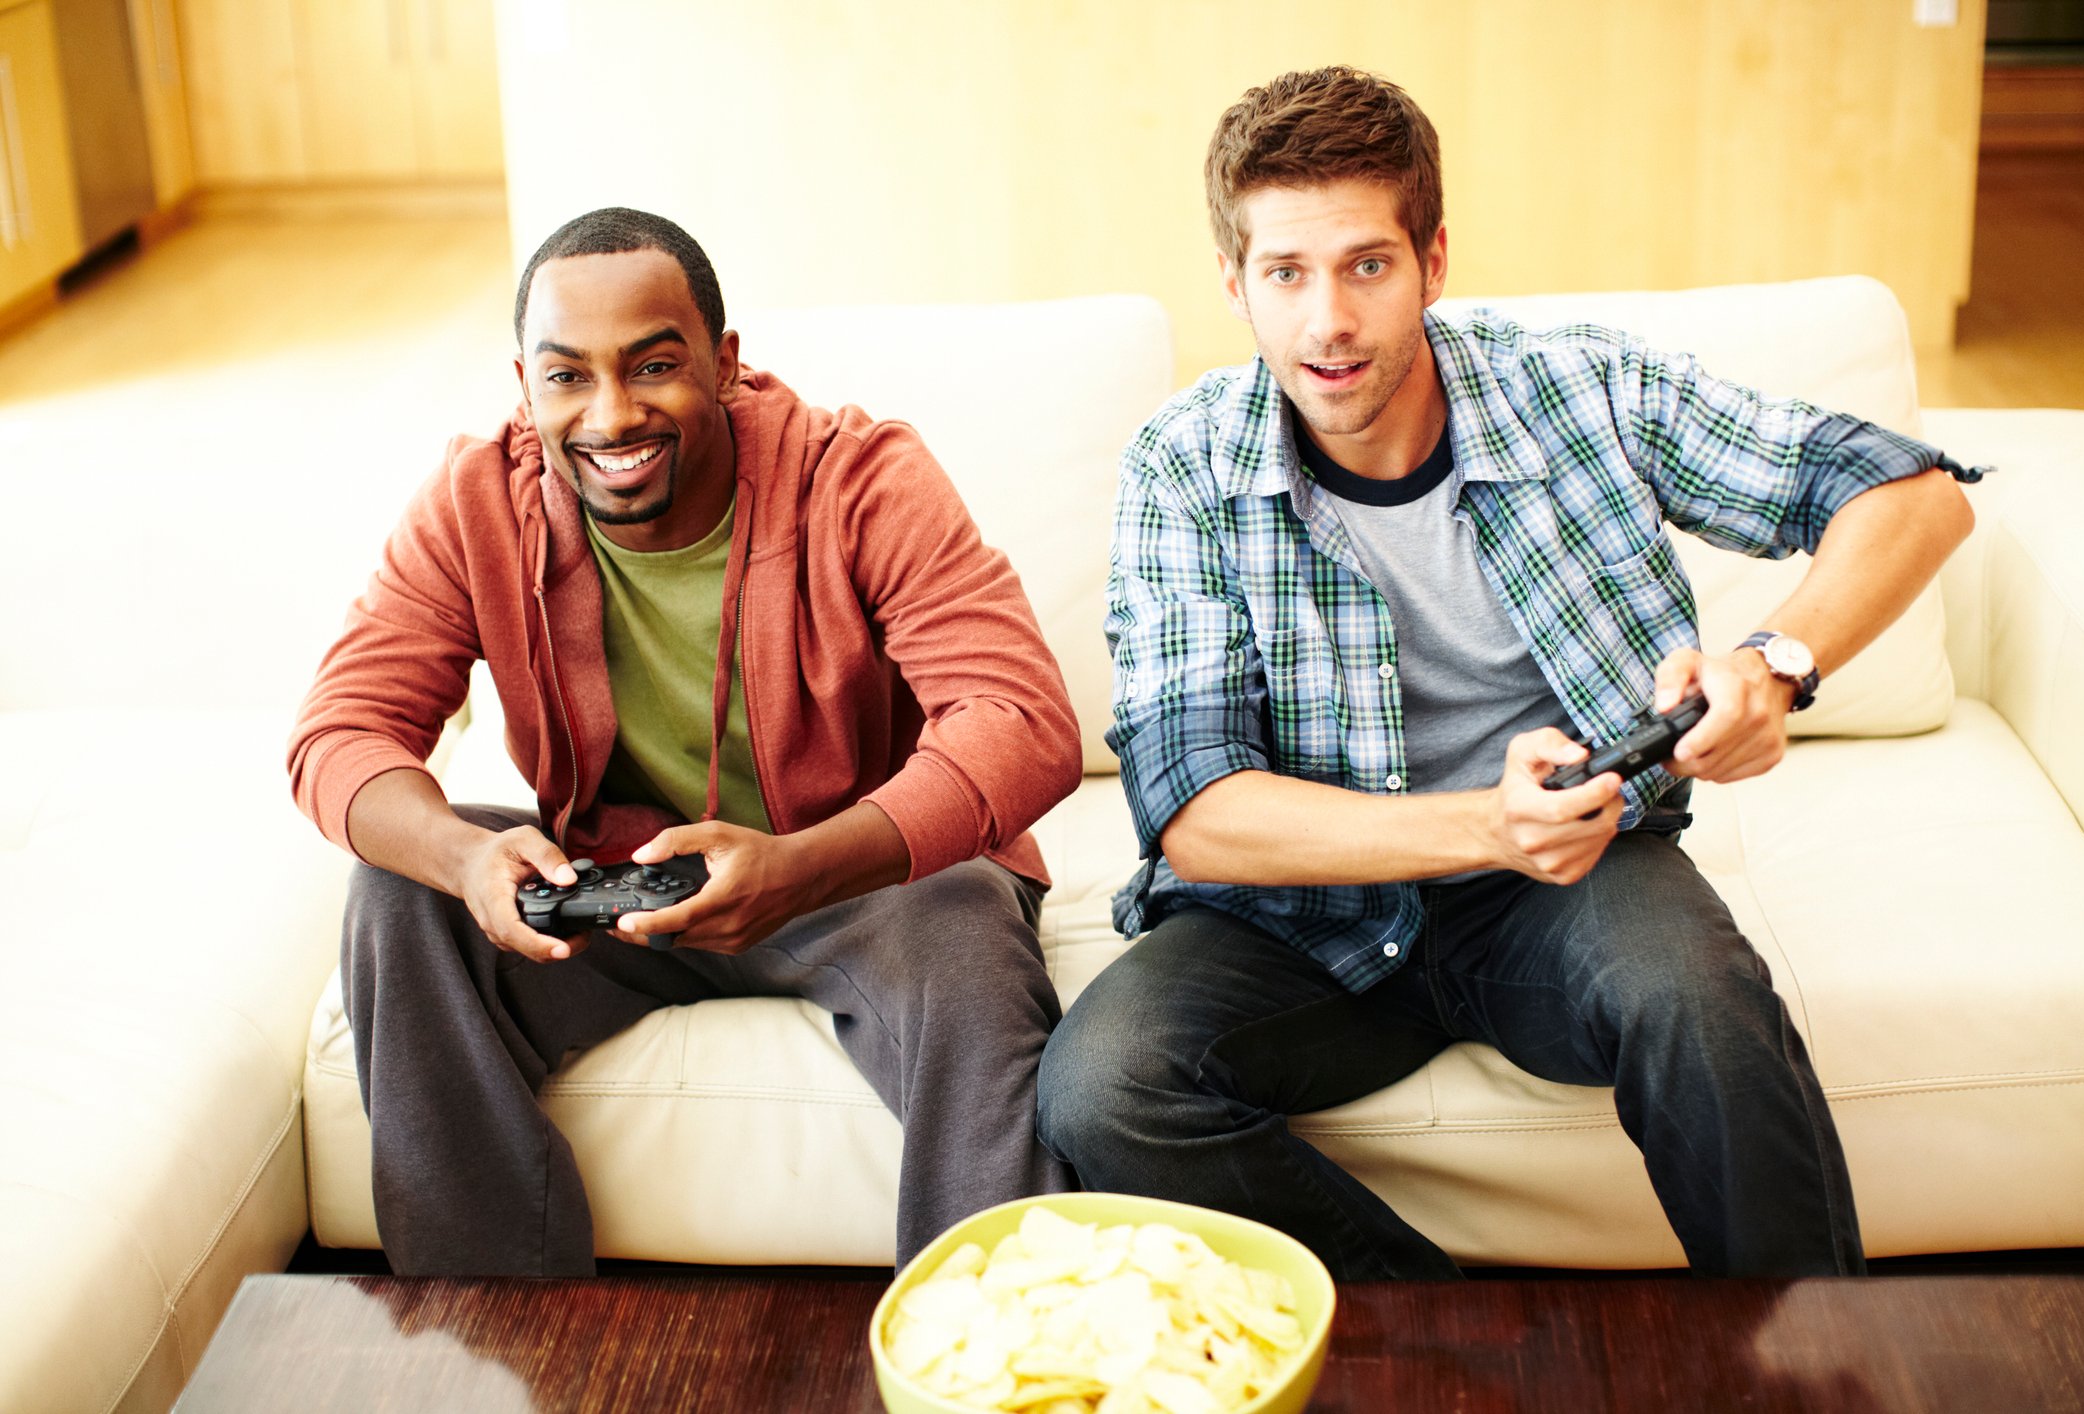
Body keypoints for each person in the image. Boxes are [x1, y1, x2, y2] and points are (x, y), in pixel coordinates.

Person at [1036, 67, 1982, 1280]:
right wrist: (1488, 822)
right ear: (1235, 283)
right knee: (1103, 1083)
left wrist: (1775, 662)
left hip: (1572, 876)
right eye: (1286, 273)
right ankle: (1461, 1358)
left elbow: (1914, 493)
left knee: (1700, 1003)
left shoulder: (1580, 386)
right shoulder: (1184, 465)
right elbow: (1202, 818)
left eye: (1367, 265)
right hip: (1303, 913)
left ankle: (1810, 1373)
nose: (1328, 320)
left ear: (1433, 260)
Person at [289, 207, 1081, 1276]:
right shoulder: (480, 496)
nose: (611, 415)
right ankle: (489, 1335)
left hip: (852, 882)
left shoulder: (860, 475)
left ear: (724, 363)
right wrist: (467, 857)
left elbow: (1022, 721)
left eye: (653, 366)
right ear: (525, 383)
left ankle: (998, 1334)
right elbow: (341, 729)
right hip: (621, 893)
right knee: (401, 893)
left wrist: (801, 866)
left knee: (962, 906)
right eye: (567, 377)